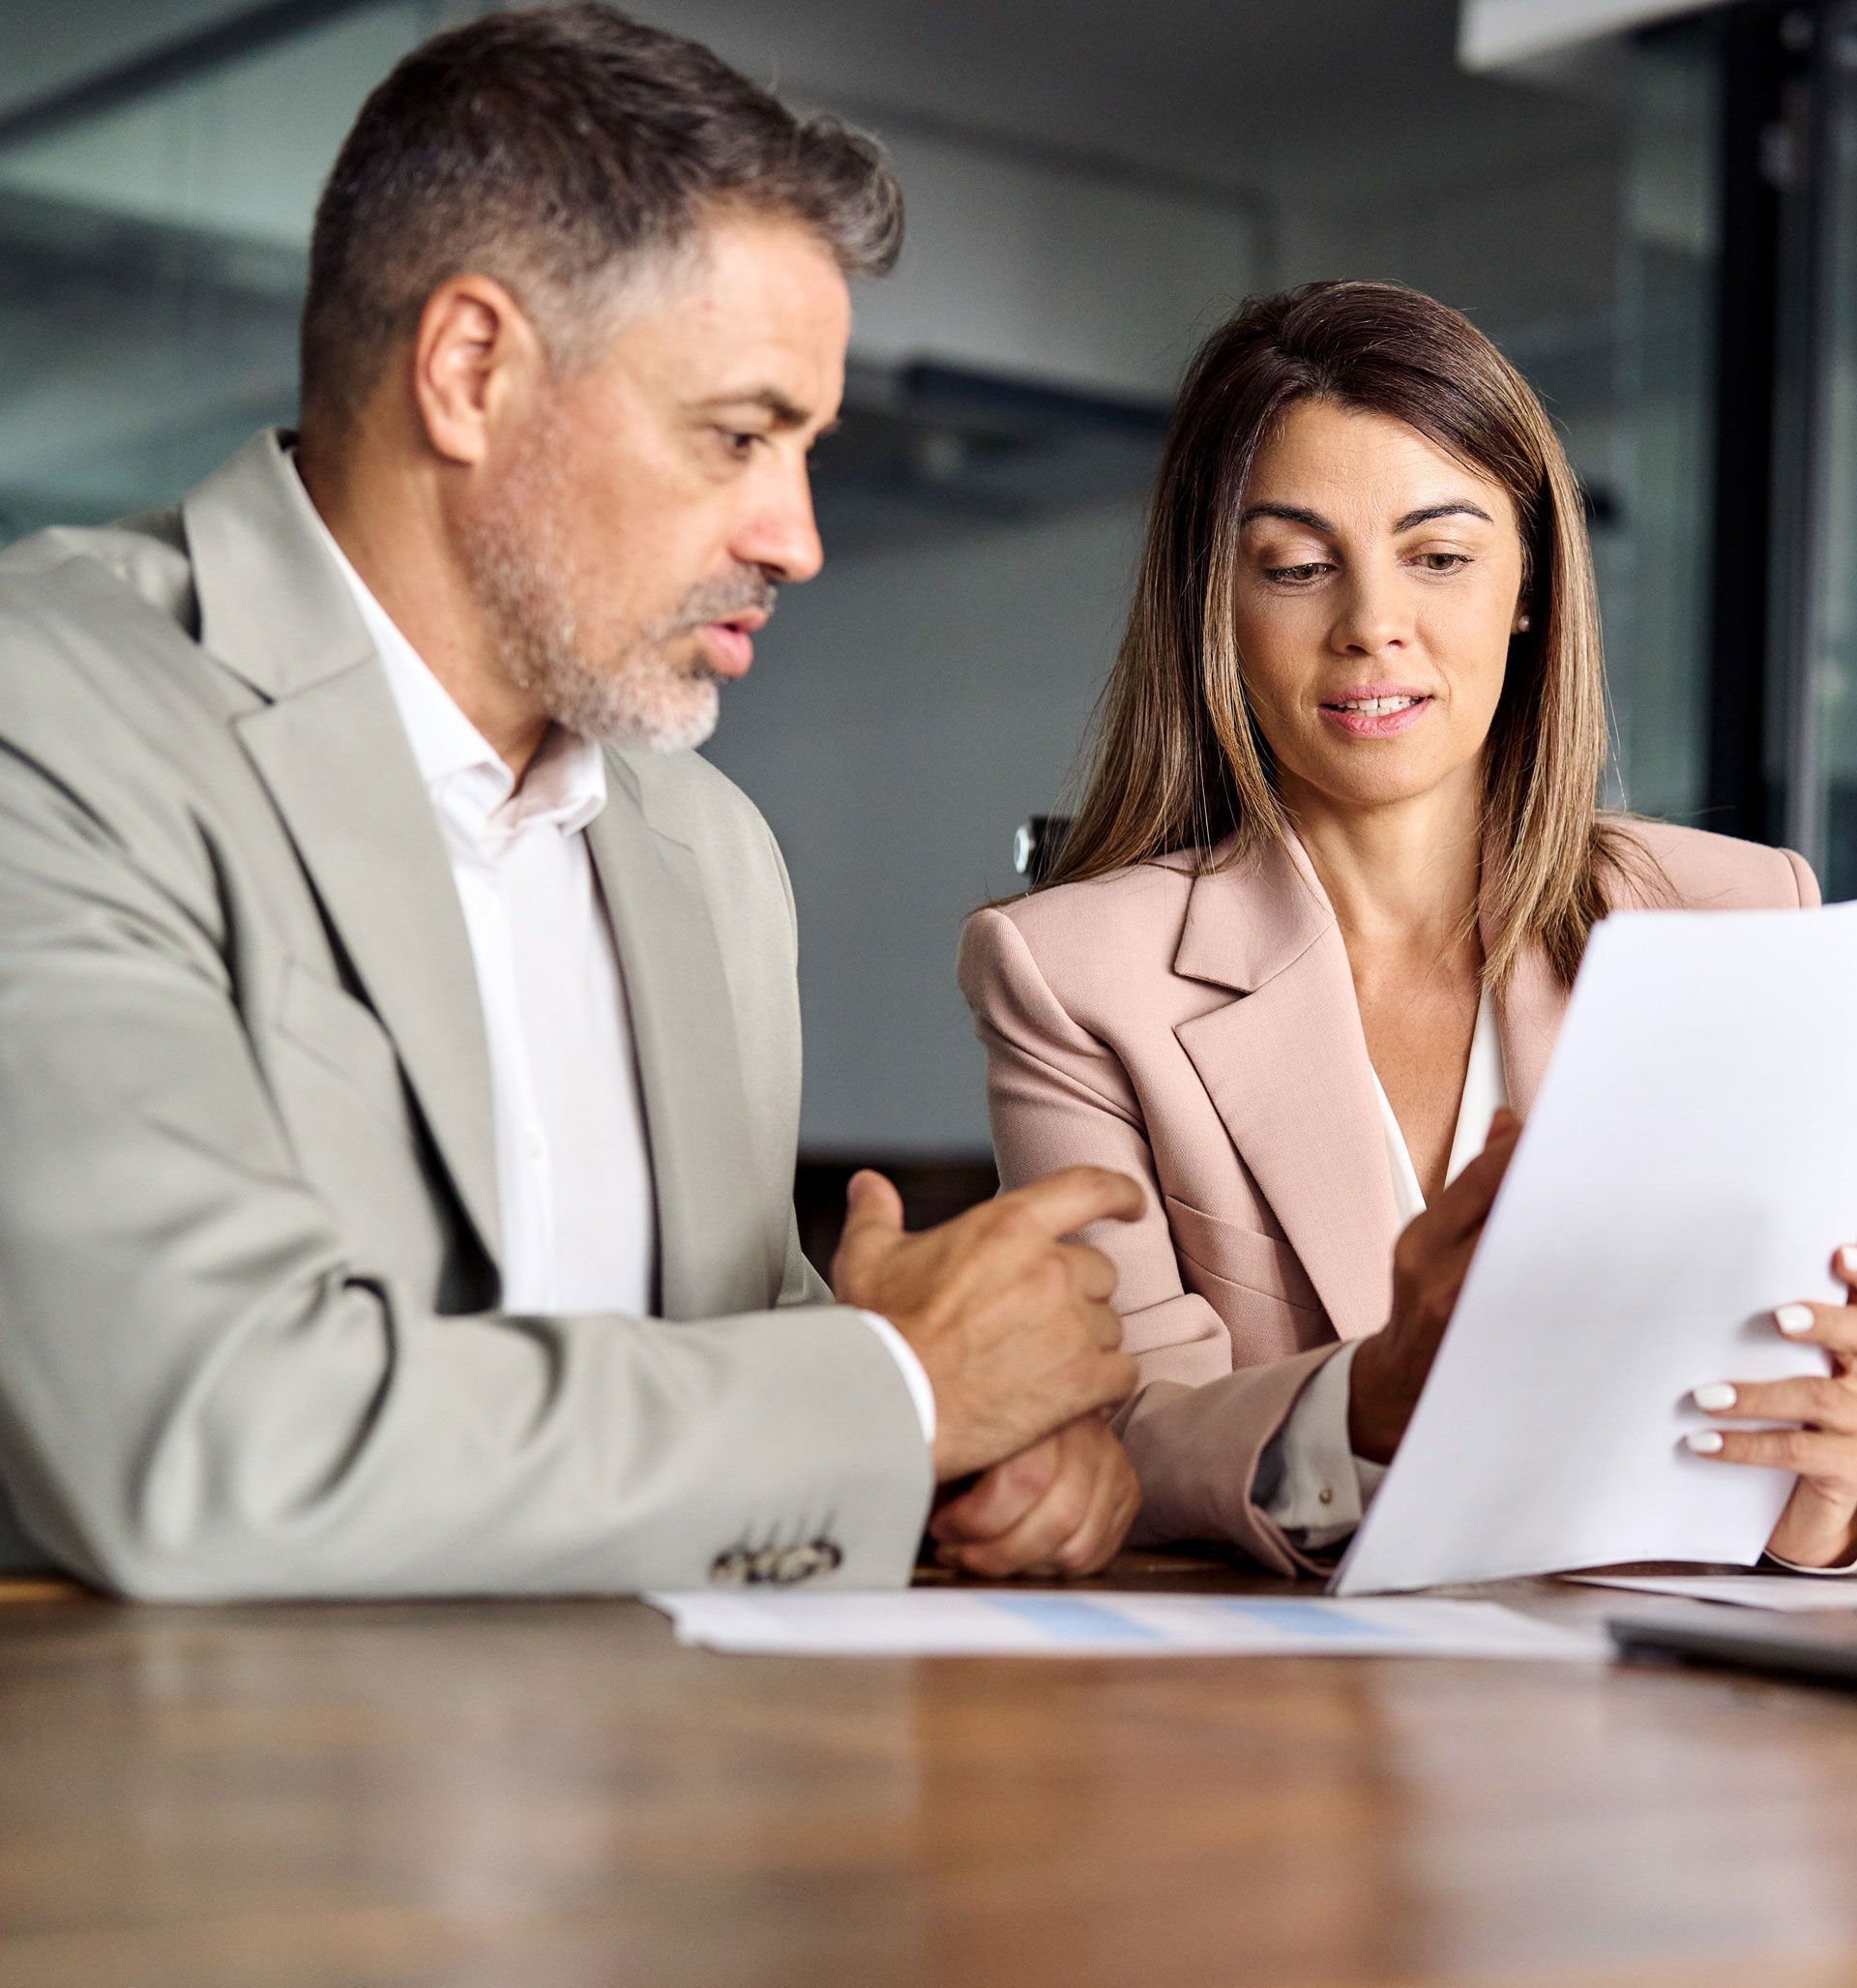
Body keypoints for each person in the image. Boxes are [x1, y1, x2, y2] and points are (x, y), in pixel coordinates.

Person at [0, 4, 1148, 1600]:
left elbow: (742, 1385)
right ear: (472, 372)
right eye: (740, 434)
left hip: (675, 1801)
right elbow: (207, 1439)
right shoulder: (47, 715)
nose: (797, 534)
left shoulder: (713, 855)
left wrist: (981, 1454)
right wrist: (895, 1395)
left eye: (807, 447)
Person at [958, 279, 1857, 1579]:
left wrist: (1829, 1498)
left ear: (1530, 588)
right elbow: (1116, 1432)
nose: (1373, 622)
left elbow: (1797, 1379)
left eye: (1438, 556)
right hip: (1286, 1730)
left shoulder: (1739, 915)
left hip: (1670, 1704)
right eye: (1299, 566)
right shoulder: (1074, 976)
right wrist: (1365, 1401)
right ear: (1218, 606)